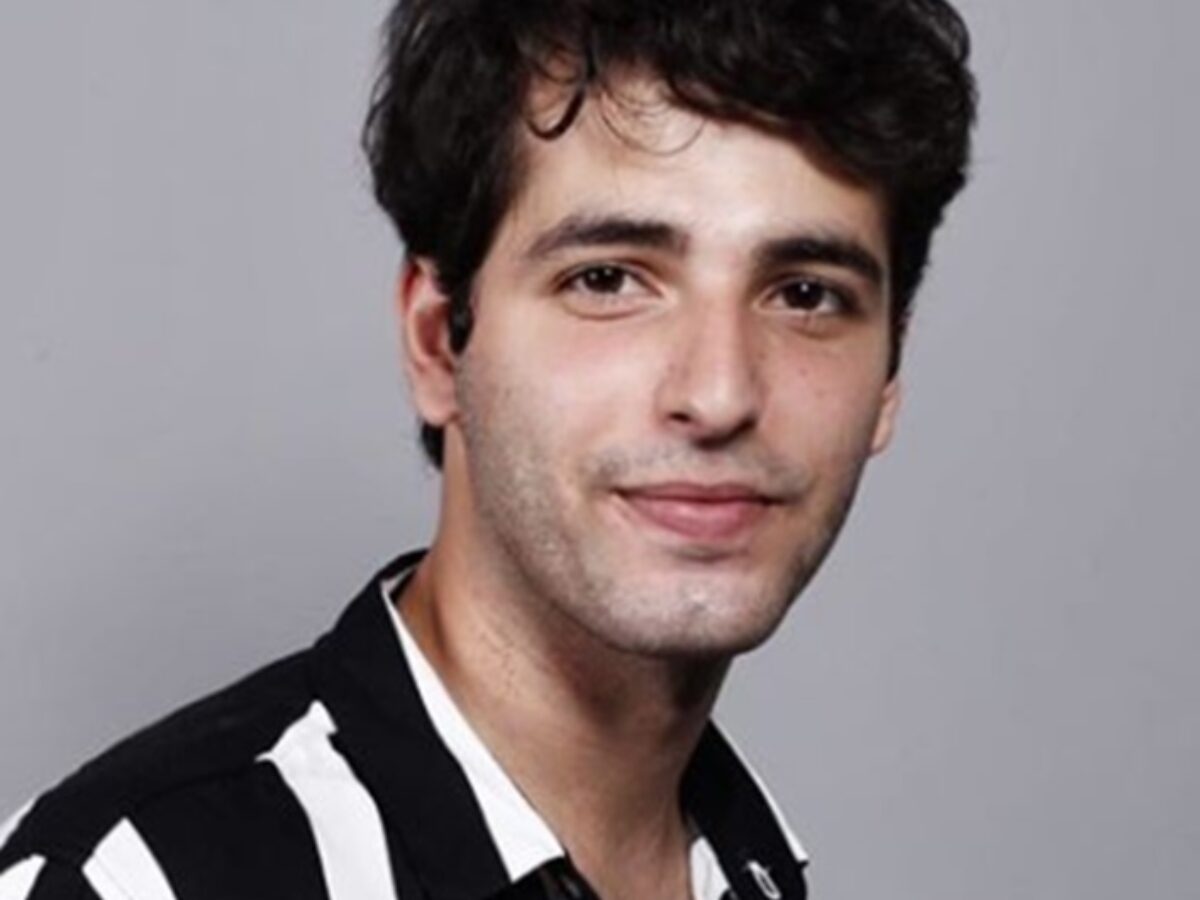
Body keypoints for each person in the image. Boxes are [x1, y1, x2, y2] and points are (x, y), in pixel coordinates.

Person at [0, 1, 976, 897]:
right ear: (438, 342)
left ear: (889, 377)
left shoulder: (747, 868)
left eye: (806, 294)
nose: (720, 393)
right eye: (608, 280)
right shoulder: (123, 885)